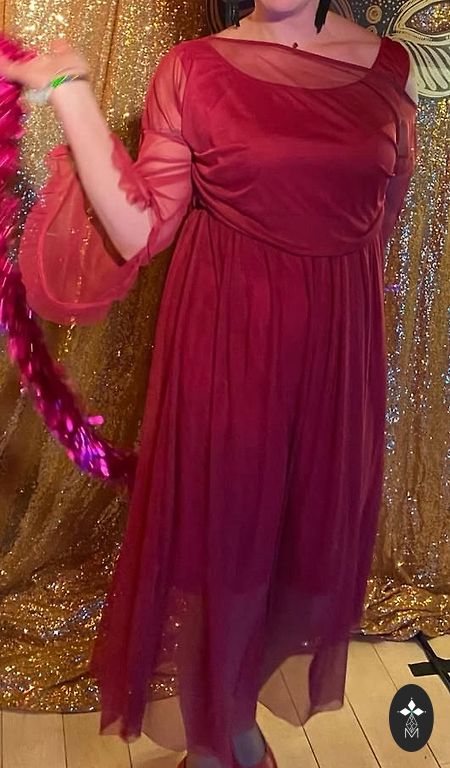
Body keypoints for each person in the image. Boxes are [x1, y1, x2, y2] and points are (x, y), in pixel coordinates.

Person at [0, 1, 418, 767]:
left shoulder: (392, 67)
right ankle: (224, 740)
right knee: (227, 546)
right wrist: (71, 88)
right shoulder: (193, 69)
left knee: (305, 550)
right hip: (229, 346)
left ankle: (233, 722)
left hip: (338, 352)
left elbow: (382, 219)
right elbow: (141, 228)